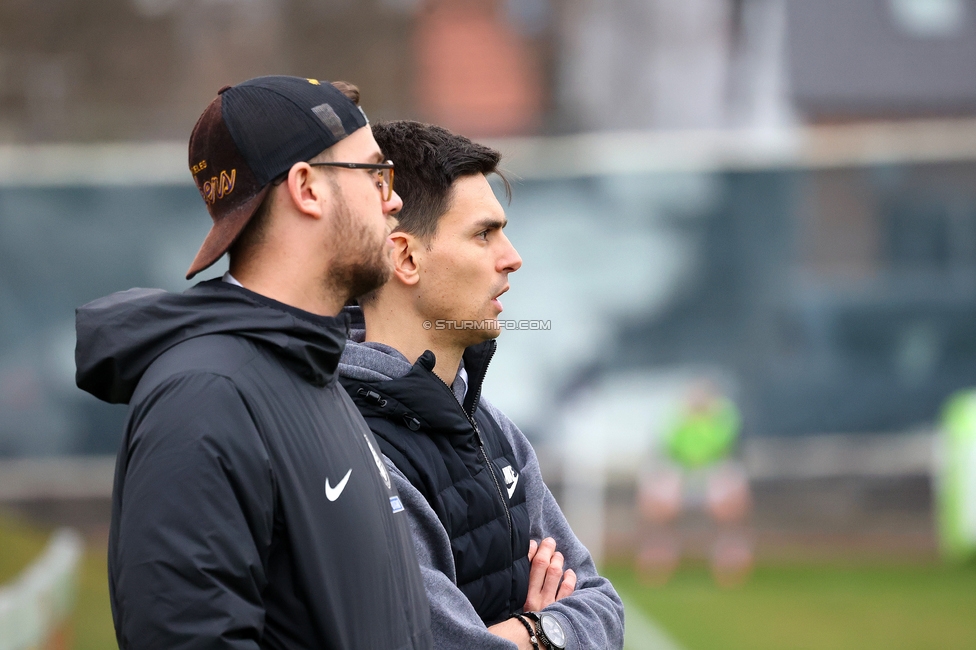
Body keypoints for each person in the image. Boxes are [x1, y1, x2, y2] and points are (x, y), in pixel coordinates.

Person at [75, 77, 433, 649]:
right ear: (307, 188)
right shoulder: (203, 397)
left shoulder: (311, 371)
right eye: (375, 173)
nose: (392, 198)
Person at [337, 120, 625, 650]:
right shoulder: (346, 445)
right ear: (405, 257)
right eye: (483, 234)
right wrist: (543, 632)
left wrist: (528, 634)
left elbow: (604, 607)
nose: (511, 257)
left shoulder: (491, 427)